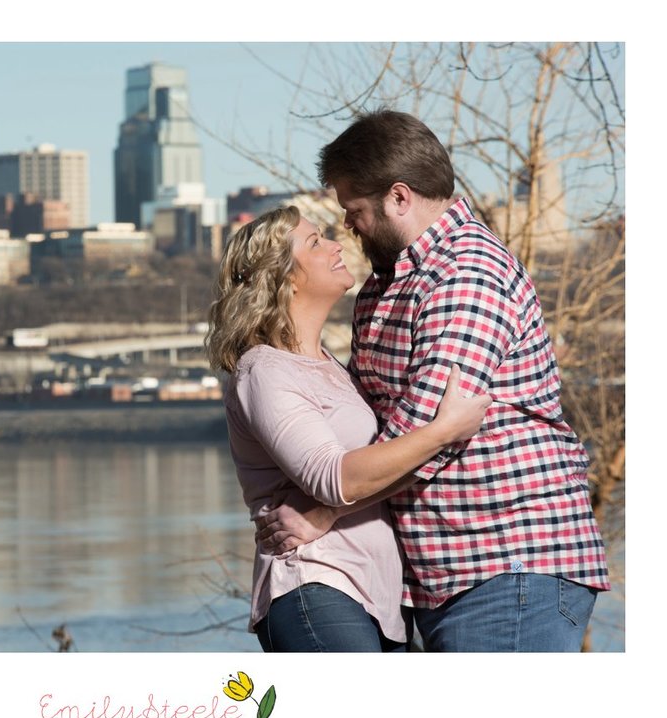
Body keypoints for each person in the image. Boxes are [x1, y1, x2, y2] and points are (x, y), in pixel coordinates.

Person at [261, 109, 610, 651]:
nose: (347, 226)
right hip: (442, 574)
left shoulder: (466, 273)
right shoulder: (385, 287)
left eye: (354, 210)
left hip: (508, 560)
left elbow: (425, 433)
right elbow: (368, 422)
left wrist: (323, 512)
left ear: (399, 197)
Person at [205, 204, 491, 652]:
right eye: (315, 242)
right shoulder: (264, 370)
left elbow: (377, 471)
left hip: (376, 601)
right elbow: (333, 479)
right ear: (285, 277)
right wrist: (442, 430)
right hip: (315, 585)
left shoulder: (333, 368)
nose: (337, 244)